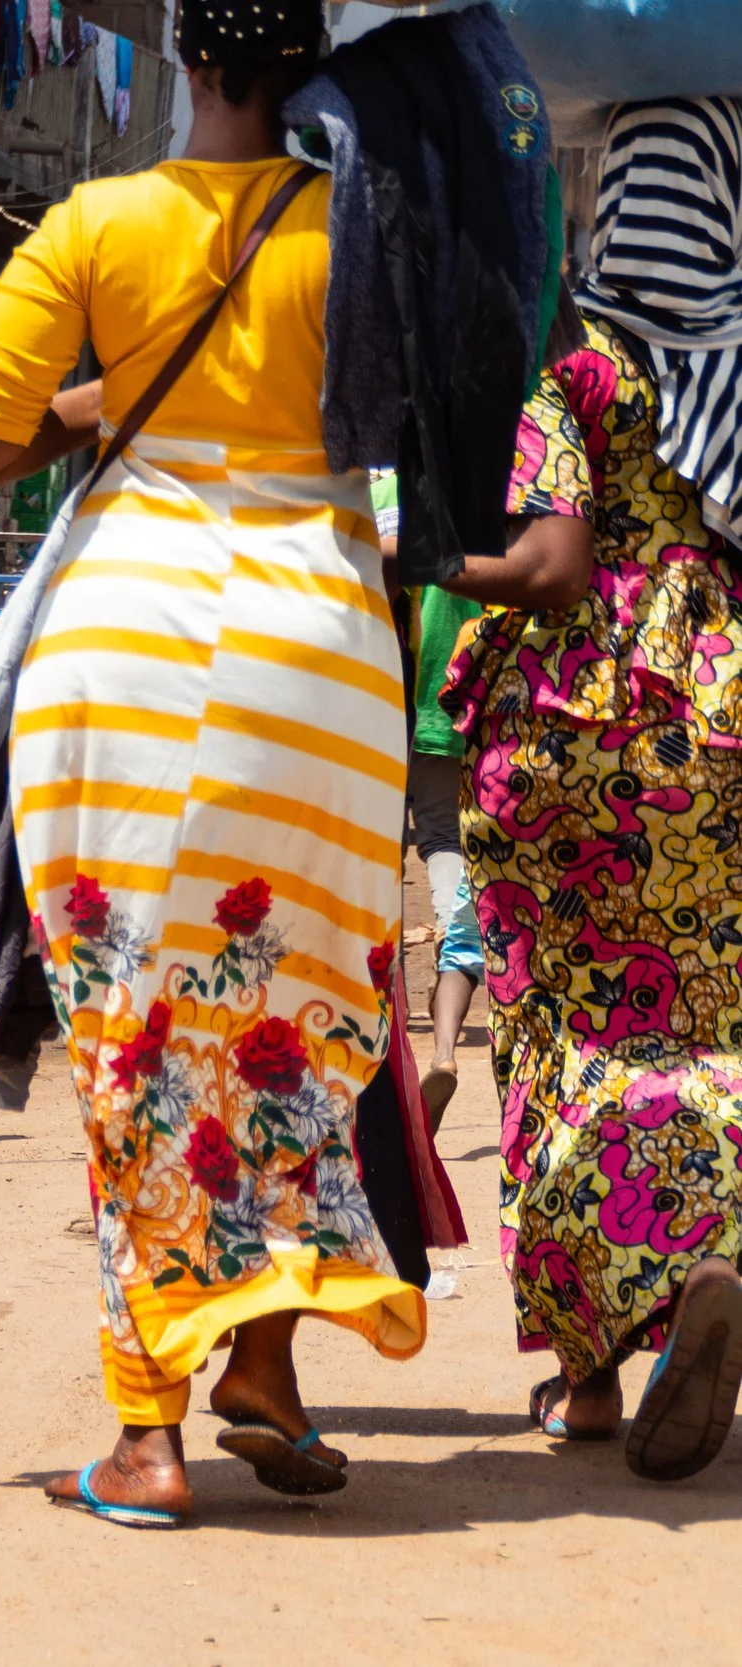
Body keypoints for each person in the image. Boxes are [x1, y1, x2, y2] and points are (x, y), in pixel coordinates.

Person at [0, 0, 426, 1528]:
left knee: (138, 1036)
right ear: (309, 65)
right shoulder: (374, 231)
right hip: (318, 656)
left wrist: (99, 402)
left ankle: (148, 1433)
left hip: (124, 645)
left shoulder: (96, 221)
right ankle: (264, 1358)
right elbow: (425, 422)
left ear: (191, 60)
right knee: (291, 1018)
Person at [441, 96, 742, 1480]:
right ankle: (704, 1264)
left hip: (574, 730)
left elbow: (553, 568)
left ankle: (586, 1377)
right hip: (722, 724)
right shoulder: (735, 377)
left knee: (560, 1025)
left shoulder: (579, 373)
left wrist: (446, 565)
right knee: (703, 1019)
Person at [378, 469, 485, 1132]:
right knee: (458, 857)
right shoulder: (498, 483)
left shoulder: (393, 494)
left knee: (399, 854)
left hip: (407, 703)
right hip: (481, 702)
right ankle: (444, 1047)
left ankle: (387, 1039)